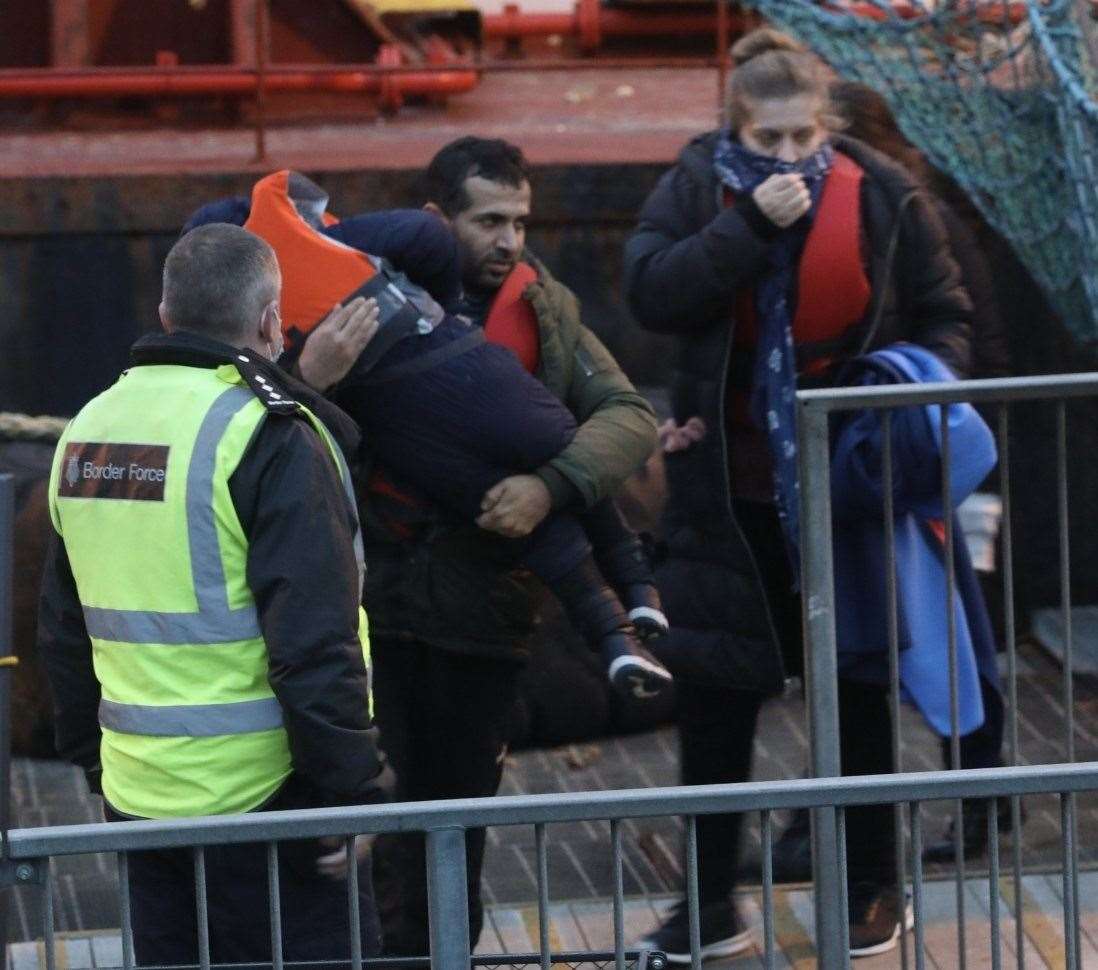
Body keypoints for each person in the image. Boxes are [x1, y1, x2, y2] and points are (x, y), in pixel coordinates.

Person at [624, 28, 975, 959]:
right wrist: (748, 227)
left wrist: (907, 396)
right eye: (768, 139)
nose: (787, 157)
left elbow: (946, 314)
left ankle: (869, 887)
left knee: (857, 686)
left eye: (802, 140)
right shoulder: (700, 186)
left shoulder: (884, 196)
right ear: (737, 126)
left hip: (846, 484)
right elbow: (651, 293)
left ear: (827, 129)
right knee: (716, 693)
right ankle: (706, 903)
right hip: (725, 489)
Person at [37, 223, 384, 967]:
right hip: (268, 803)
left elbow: (63, 635)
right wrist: (350, 791)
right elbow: (314, 642)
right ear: (270, 321)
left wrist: (99, 770)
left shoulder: (86, 431)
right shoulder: (269, 435)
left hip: (140, 803)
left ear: (165, 314)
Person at [360, 136, 661, 955]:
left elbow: (628, 419)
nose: (510, 241)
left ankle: (438, 945)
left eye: (521, 222)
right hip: (375, 603)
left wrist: (549, 488)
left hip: (483, 611)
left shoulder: (546, 310)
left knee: (461, 802)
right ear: (435, 220)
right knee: (376, 804)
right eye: (489, 221)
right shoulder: (365, 305)